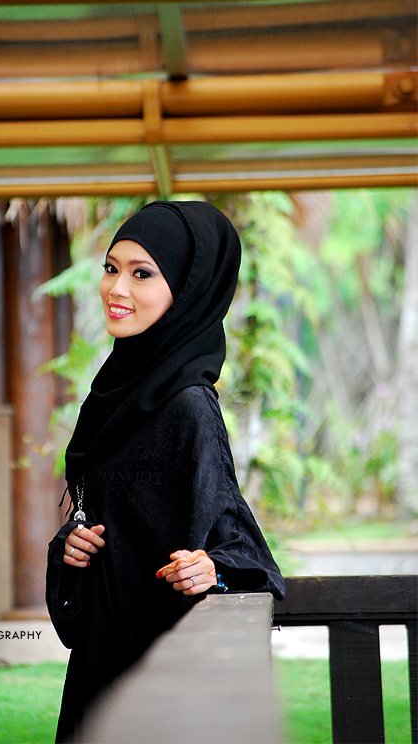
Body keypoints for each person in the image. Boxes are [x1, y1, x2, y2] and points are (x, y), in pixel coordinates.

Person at [46, 200, 285, 742]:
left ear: (188, 291)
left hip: (161, 668)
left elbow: (237, 546)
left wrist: (211, 568)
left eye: (142, 274)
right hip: (103, 657)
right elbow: (110, 518)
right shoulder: (114, 395)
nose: (116, 289)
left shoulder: (187, 405)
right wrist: (72, 547)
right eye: (111, 268)